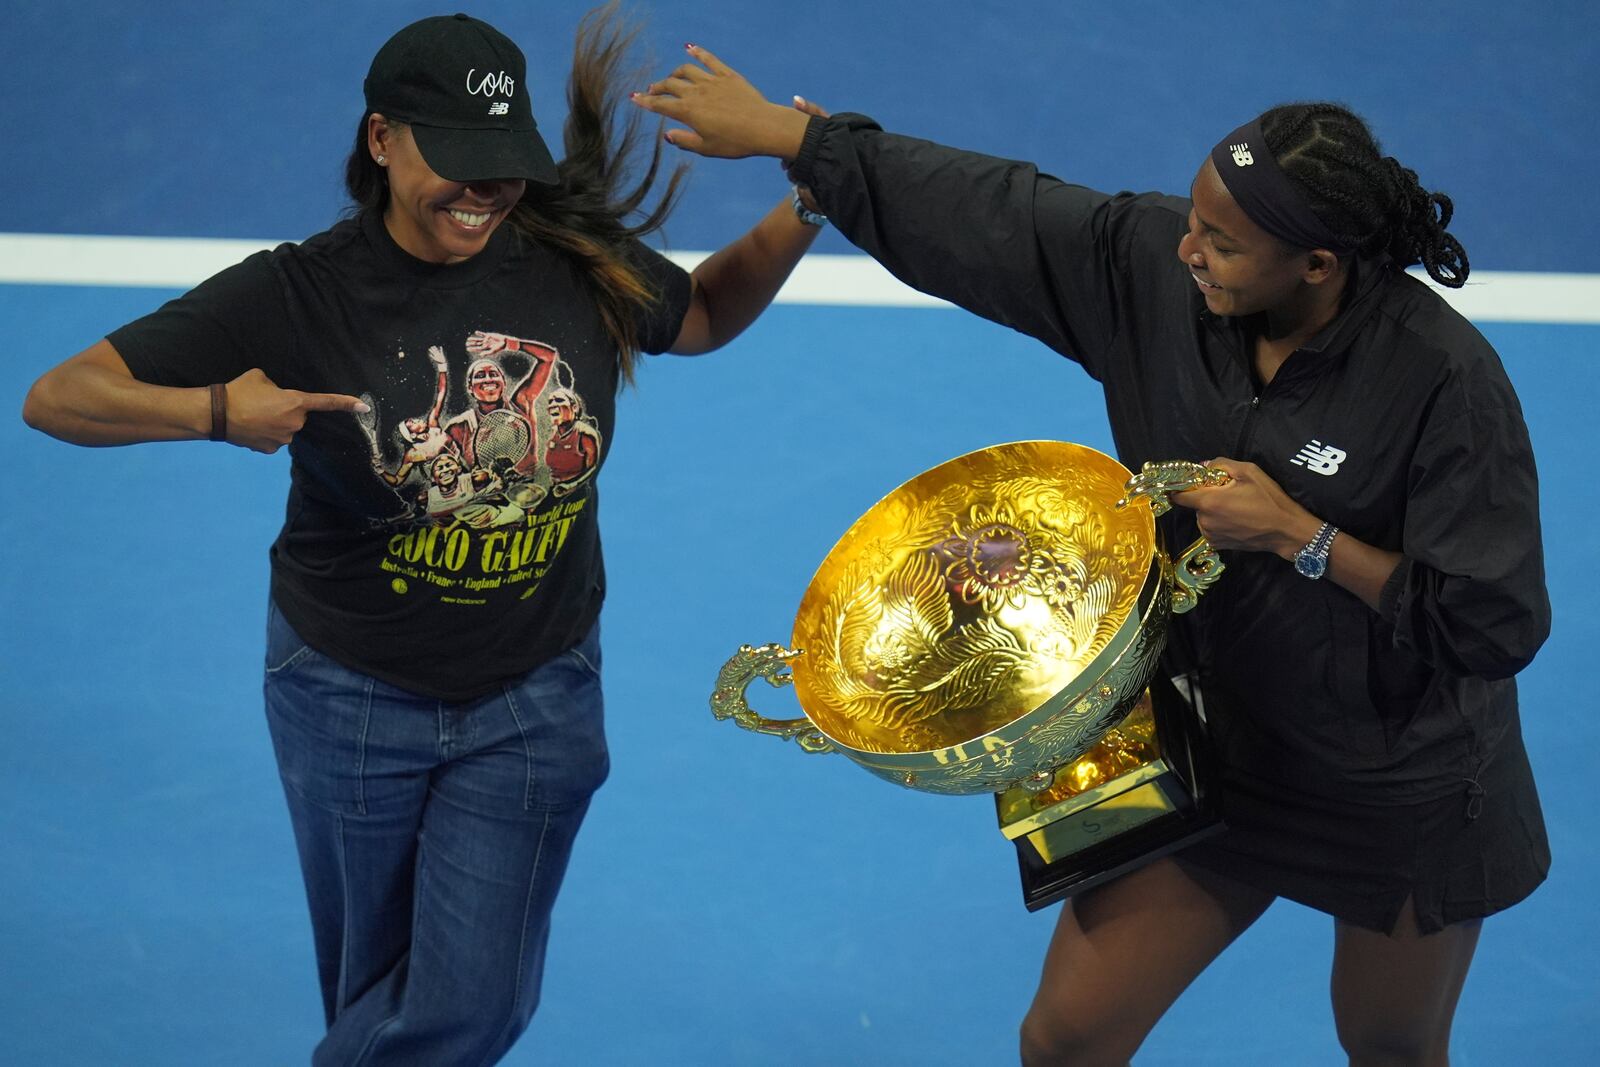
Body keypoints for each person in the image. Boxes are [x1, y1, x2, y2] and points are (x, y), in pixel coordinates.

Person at [632, 48, 1552, 1066]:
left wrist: (1304, 535)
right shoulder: (1155, 273)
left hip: (1393, 782)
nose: (1188, 250)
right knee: (1065, 1037)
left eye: (1222, 243)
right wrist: (799, 140)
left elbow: (1490, 620)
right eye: (1193, 221)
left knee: (1390, 1045)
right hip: (1218, 742)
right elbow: (996, 212)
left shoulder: (1440, 382)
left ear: (1317, 266)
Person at [22, 11, 826, 1065]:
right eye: (456, 163)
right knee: (374, 986)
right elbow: (60, 395)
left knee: (470, 1006)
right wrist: (218, 410)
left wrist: (808, 202)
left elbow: (704, 314)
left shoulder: (568, 258)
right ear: (380, 141)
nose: (483, 194)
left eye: (502, 168)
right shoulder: (295, 290)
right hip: (348, 694)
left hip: (535, 695)